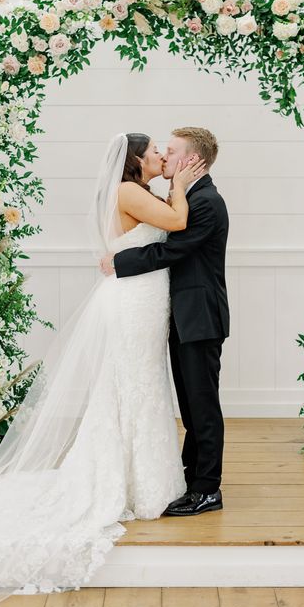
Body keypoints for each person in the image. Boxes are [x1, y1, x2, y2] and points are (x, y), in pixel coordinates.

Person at [0, 132, 206, 607]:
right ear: (136, 161)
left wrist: (172, 182)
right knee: (133, 384)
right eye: (156, 153)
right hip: (134, 301)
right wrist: (182, 183)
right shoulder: (128, 192)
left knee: (141, 385)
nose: (163, 157)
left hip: (143, 297)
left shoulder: (140, 191)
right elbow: (178, 221)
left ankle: (146, 479)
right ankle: (131, 483)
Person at [100, 126, 230, 517]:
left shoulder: (207, 201)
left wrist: (119, 262)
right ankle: (193, 480)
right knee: (191, 406)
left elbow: (173, 249)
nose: (164, 157)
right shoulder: (184, 196)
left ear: (192, 160)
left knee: (203, 407)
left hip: (199, 317)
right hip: (178, 316)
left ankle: (208, 490)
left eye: (171, 151)